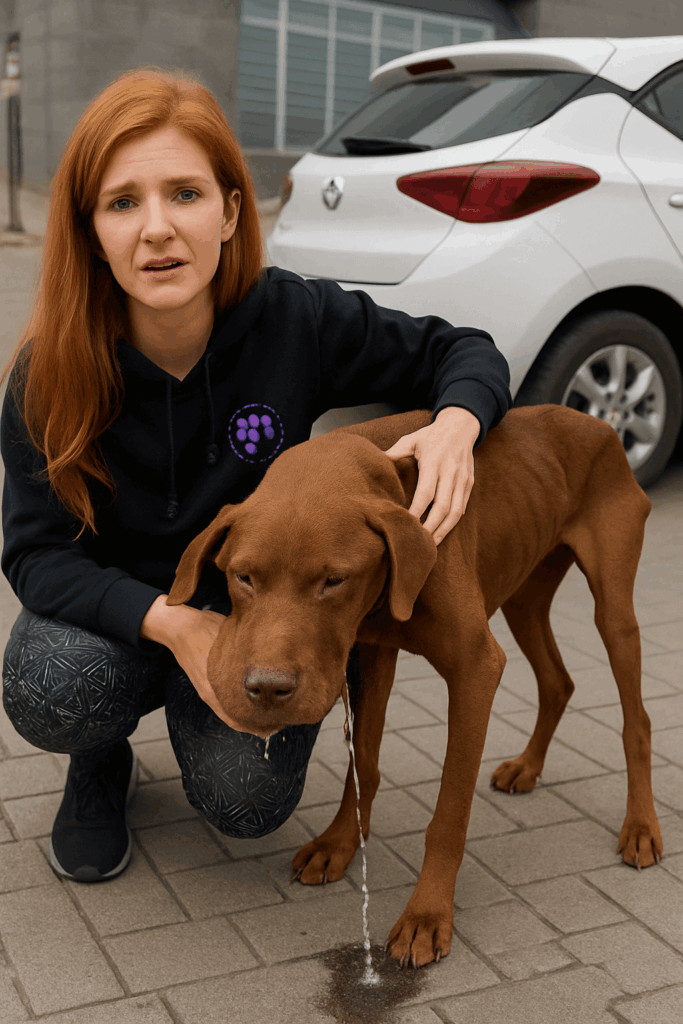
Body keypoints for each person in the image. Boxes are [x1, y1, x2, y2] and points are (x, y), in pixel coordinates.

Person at [0, 67, 512, 883]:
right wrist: (169, 623)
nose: (157, 228)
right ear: (91, 228)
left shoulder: (293, 320)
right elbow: (35, 557)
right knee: (49, 686)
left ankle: (193, 717)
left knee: (247, 803)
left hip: (268, 615)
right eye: (123, 202)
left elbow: (464, 349)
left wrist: (457, 423)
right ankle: (102, 759)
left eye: (186, 194)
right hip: (128, 621)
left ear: (232, 210)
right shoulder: (48, 373)